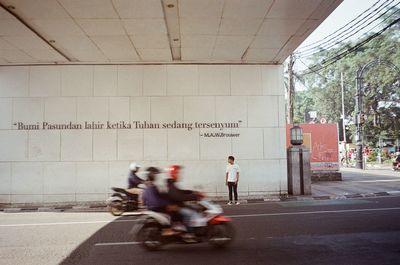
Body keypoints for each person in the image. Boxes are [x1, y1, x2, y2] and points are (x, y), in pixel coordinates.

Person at [166, 165, 203, 240]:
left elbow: (180, 192)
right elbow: (179, 197)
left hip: (178, 206)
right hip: (176, 208)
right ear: (173, 174)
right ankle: (188, 233)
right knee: (191, 213)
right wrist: (194, 196)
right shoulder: (170, 185)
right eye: (178, 173)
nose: (179, 175)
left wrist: (193, 192)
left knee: (195, 208)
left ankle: (196, 230)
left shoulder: (172, 184)